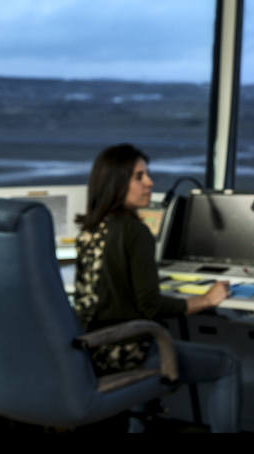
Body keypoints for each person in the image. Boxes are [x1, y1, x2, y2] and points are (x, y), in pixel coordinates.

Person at [73, 143, 240, 432]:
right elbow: (150, 305)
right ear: (116, 182)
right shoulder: (134, 231)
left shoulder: (91, 230)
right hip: (127, 354)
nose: (149, 183)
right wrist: (206, 299)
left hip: (93, 352)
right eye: (139, 176)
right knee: (226, 365)